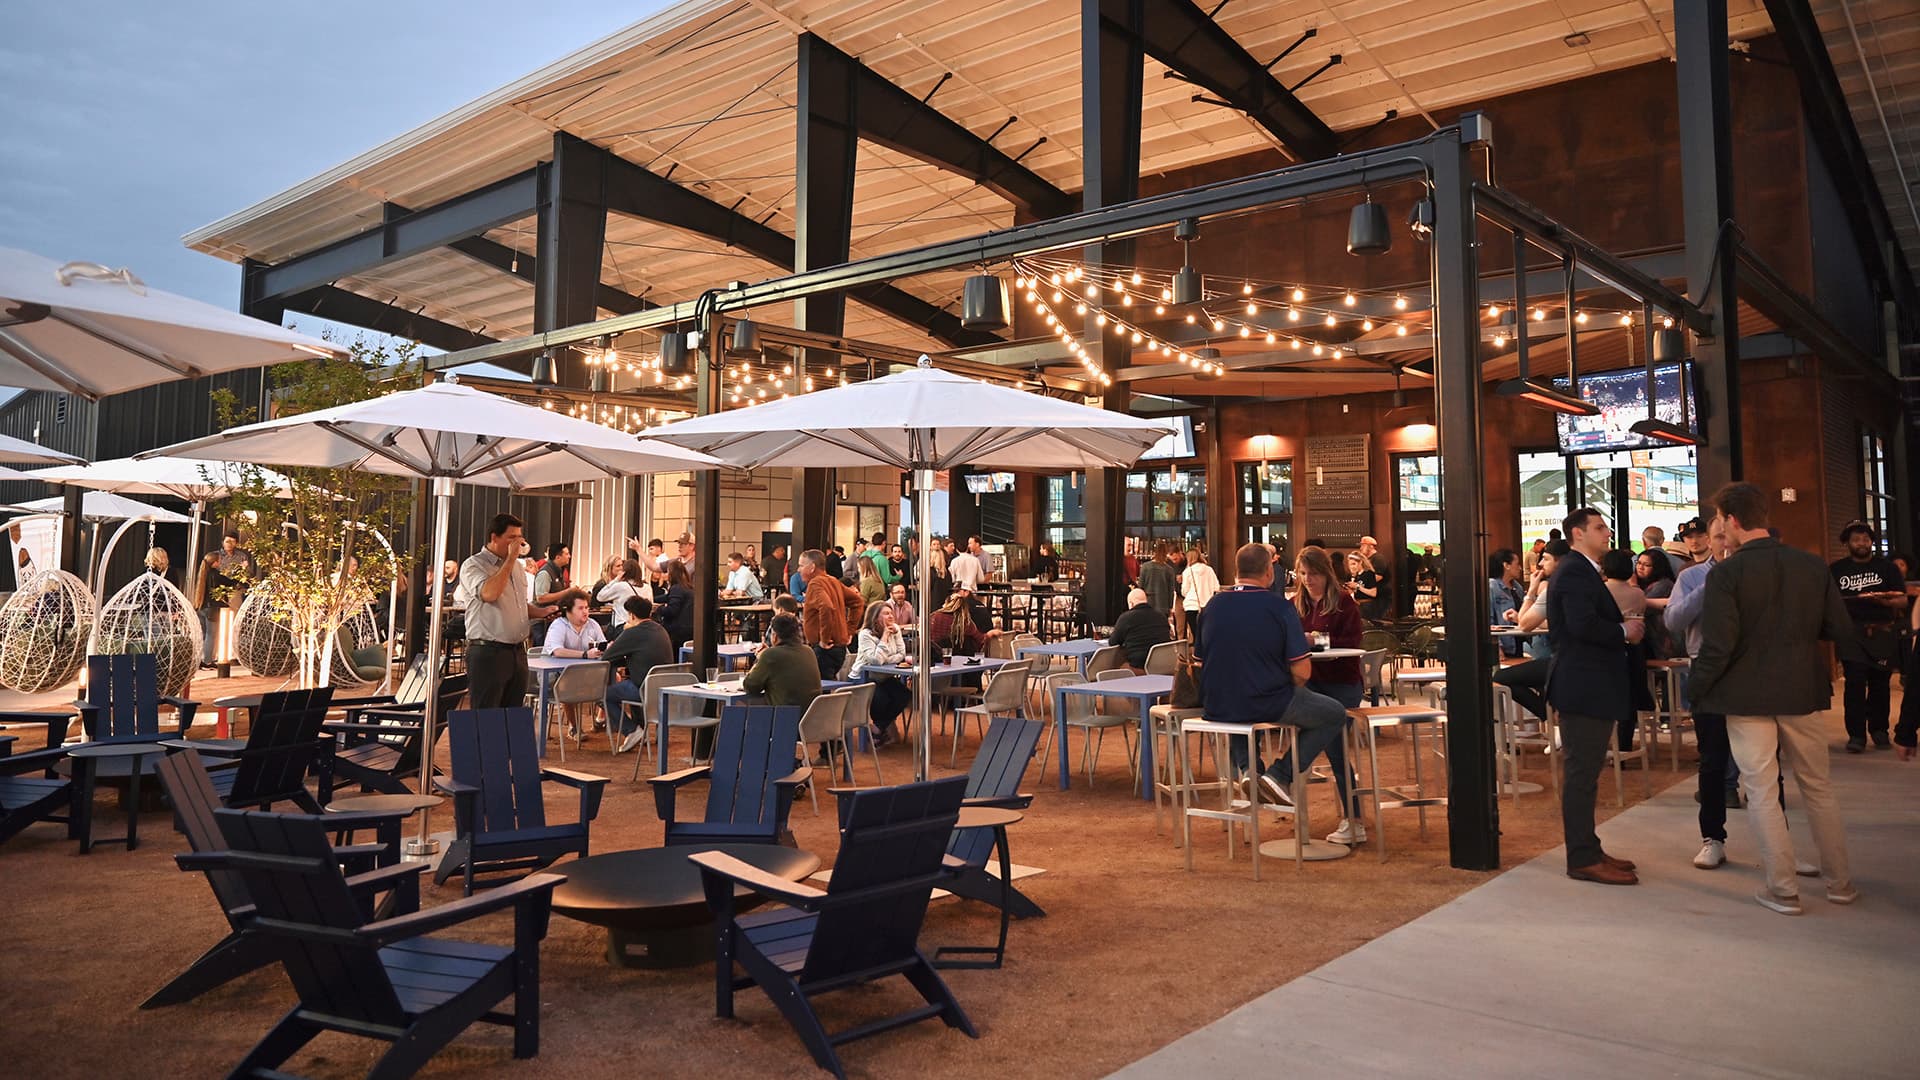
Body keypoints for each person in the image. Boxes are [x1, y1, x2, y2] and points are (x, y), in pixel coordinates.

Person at [1690, 483, 1856, 913]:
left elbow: (1718, 646)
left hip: (1745, 696)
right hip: (1802, 689)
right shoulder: (1812, 566)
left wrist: (1697, 690)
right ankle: (1840, 884)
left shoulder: (1725, 575)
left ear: (1731, 520)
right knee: (1818, 787)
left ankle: (1782, 889)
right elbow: (1837, 628)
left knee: (1761, 790)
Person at [1196, 543, 1350, 810]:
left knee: (1239, 700)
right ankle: (1281, 775)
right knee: (1334, 713)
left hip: (1216, 704)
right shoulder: (1279, 607)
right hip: (1267, 699)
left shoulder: (1211, 607)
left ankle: (1249, 771)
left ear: (1236, 572)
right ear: (1269, 572)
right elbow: (1302, 671)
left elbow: (1200, 662)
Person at [1546, 507, 1644, 886]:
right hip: (1582, 684)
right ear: (1577, 533)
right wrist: (1623, 630)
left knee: (1586, 771)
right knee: (1582, 773)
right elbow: (1581, 625)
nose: (1607, 533)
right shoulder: (1573, 570)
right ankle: (1582, 858)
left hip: (1589, 682)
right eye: (1600, 527)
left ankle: (1589, 846)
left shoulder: (1582, 570)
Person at [1662, 509, 1741, 868]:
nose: (1725, 542)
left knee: (1766, 759)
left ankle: (1779, 839)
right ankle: (1712, 837)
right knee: (1711, 758)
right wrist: (1714, 583)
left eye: (1729, 535)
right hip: (1705, 668)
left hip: (1750, 671)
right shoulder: (1693, 577)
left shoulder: (1754, 574)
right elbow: (1674, 620)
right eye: (1719, 536)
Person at [1285, 545, 1368, 844]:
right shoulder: (1296, 604)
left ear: (1326, 573)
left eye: (1314, 573)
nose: (1309, 580)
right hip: (1310, 684)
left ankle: (1355, 819)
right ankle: (1285, 789)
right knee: (1302, 741)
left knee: (1334, 749)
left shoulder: (1345, 602)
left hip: (1342, 685)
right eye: (1304, 574)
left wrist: (1314, 640)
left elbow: (1352, 641)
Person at [460, 513, 558, 710]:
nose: (518, 544)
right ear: (494, 537)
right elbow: (489, 593)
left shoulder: (516, 568)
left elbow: (519, 606)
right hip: (488, 651)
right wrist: (512, 558)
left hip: (517, 652)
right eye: (512, 538)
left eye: (519, 538)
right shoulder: (474, 565)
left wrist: (542, 612)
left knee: (511, 715)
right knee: (486, 715)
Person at [1829, 521, 1907, 753]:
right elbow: (1828, 601)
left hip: (1882, 630)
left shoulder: (1887, 568)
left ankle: (1880, 730)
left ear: (1871, 542)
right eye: (1856, 539)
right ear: (1847, 543)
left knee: (1879, 682)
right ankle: (1856, 735)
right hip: (1850, 632)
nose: (1861, 543)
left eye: (1865, 539)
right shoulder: (1836, 570)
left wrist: (1886, 601)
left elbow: (1903, 599)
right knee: (1854, 683)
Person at [604, 595, 676, 753]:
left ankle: (631, 730)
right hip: (664, 688)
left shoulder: (633, 632)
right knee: (632, 680)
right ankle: (640, 729)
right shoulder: (660, 629)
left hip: (644, 689)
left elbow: (606, 657)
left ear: (632, 615)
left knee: (602, 695)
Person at [798, 548, 863, 681]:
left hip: (824, 648)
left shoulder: (815, 583)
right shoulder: (833, 581)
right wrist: (849, 631)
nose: (799, 570)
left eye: (801, 565)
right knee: (828, 685)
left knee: (818, 688)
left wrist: (824, 638)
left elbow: (826, 606)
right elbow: (858, 602)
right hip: (838, 647)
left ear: (812, 567)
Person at [852, 601, 911, 745]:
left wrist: (887, 658)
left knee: (904, 695)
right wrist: (885, 636)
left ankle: (877, 728)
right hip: (864, 677)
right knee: (881, 699)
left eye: (891, 613)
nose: (890, 616)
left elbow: (901, 654)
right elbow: (876, 660)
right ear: (875, 617)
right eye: (886, 613)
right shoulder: (865, 634)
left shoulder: (895, 629)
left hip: (884, 676)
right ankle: (879, 733)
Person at [194, 532, 253, 665]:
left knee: (225, 627)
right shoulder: (216, 559)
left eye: (232, 541)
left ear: (236, 543)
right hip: (218, 599)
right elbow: (227, 580)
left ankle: (221, 656)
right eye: (227, 541)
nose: (229, 544)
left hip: (223, 597)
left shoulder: (241, 556)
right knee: (212, 633)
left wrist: (244, 573)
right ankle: (209, 659)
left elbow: (245, 576)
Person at [742, 613, 823, 708]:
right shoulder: (808, 651)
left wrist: (759, 659)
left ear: (775, 636)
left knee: (740, 704)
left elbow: (750, 686)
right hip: (812, 716)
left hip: (784, 717)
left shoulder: (770, 655)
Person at [1109, 588, 1172, 670]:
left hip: (1139, 666)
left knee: (1114, 665)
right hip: (1163, 665)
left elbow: (1113, 642)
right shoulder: (1161, 616)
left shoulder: (1126, 618)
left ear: (1131, 604)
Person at [1631, 547, 1677, 659]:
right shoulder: (1643, 583)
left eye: (1646, 565)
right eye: (1639, 563)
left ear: (1657, 568)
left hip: (1659, 641)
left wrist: (1633, 586)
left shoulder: (1664, 584)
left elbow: (1640, 608)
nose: (1640, 568)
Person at [928, 591, 996, 658]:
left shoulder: (934, 617)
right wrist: (989, 634)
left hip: (937, 658)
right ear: (964, 608)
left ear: (946, 604)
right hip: (962, 660)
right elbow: (980, 640)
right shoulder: (965, 622)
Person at [1178, 544, 1220, 643]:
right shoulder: (1209, 570)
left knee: (1196, 634)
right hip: (1207, 606)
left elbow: (1184, 591)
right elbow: (1216, 587)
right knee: (1206, 633)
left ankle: (1198, 655)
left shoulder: (1188, 571)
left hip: (1191, 606)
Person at [1487, 548, 1524, 657]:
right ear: (1506, 565)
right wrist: (1497, 646)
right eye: (1517, 564)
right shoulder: (1492, 586)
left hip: (1520, 641)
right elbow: (1490, 619)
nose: (1520, 568)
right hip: (1506, 644)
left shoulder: (1518, 587)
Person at [653, 560, 696, 650]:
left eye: (667, 572)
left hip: (677, 631)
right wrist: (651, 598)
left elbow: (672, 610)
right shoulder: (688, 587)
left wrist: (658, 609)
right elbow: (667, 597)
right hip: (690, 629)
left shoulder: (676, 588)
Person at [1137, 540, 1178, 616]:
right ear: (1166, 553)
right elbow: (1171, 591)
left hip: (1147, 605)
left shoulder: (1145, 567)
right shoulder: (1169, 570)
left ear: (1154, 552)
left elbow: (1140, 588)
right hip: (1163, 606)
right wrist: (1170, 607)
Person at [1358, 535, 1392, 617]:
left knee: (1376, 620)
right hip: (1370, 598)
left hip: (1380, 597)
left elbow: (1377, 577)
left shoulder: (1378, 559)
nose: (1360, 548)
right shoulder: (1366, 560)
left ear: (1370, 546)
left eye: (1363, 545)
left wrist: (1359, 584)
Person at [1344, 551, 1379, 617]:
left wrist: (1357, 586)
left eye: (1354, 564)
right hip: (1354, 604)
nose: (1351, 567)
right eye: (1350, 565)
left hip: (1366, 606)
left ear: (1360, 562)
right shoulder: (1350, 575)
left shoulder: (1369, 574)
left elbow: (1373, 593)